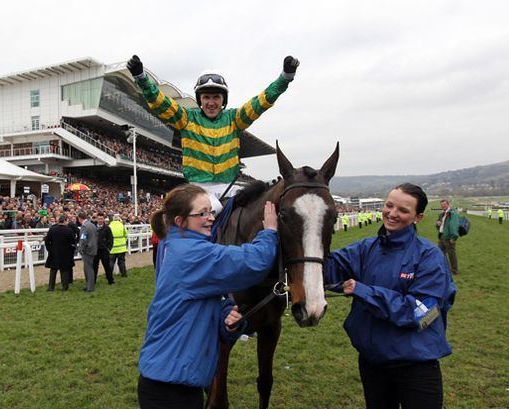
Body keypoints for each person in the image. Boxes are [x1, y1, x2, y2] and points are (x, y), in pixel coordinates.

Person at [137, 184, 278, 409]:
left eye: (211, 211)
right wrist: (269, 231)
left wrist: (225, 316)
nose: (211, 218)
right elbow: (253, 262)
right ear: (180, 221)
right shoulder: (192, 255)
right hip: (169, 389)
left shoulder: (183, 246)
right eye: (202, 213)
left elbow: (201, 299)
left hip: (177, 380)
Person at [323, 183, 457, 409]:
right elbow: (325, 268)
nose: (393, 214)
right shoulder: (366, 248)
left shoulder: (430, 257)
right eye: (389, 205)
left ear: (418, 217)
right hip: (373, 364)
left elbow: (421, 313)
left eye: (403, 210)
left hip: (416, 366)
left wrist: (362, 291)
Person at [127, 54, 300, 214]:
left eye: (216, 97)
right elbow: (160, 102)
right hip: (197, 191)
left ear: (223, 100)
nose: (211, 102)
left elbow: (261, 101)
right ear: (199, 99)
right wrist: (142, 78)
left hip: (231, 189)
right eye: (206, 97)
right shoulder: (186, 118)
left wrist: (284, 78)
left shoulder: (235, 119)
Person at [44, 215, 76, 291]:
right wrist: (71, 252)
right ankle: (64, 287)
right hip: (66, 254)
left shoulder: (52, 229)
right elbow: (73, 243)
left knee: (53, 270)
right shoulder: (69, 230)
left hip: (54, 253)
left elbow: (47, 241)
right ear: (64, 221)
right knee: (65, 270)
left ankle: (51, 287)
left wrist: (50, 250)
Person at [436, 199, 460, 276]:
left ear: (448, 204)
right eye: (442, 205)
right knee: (439, 253)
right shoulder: (442, 214)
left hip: (449, 237)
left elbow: (454, 225)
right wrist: (437, 224)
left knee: (451, 254)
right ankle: (445, 268)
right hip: (442, 236)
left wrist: (454, 237)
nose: (443, 206)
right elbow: (439, 226)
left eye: (444, 204)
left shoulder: (452, 213)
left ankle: (454, 270)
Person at [77, 211, 98, 292]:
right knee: (88, 268)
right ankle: (89, 285)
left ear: (79, 218)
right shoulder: (92, 225)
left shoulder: (85, 226)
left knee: (88, 269)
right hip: (93, 248)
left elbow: (83, 238)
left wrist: (81, 248)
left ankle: (90, 287)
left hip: (87, 250)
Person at [93, 212, 115, 285]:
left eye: (101, 219)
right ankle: (93, 281)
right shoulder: (93, 227)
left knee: (107, 266)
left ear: (103, 219)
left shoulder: (107, 228)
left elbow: (111, 239)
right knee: (94, 266)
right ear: (97, 219)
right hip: (95, 250)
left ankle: (110, 280)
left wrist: (109, 248)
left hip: (104, 250)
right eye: (99, 219)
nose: (100, 220)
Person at [109, 213, 128, 278]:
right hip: (122, 247)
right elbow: (126, 235)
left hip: (112, 248)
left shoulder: (110, 226)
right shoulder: (122, 225)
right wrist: (123, 241)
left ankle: (109, 275)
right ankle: (124, 274)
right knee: (121, 262)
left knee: (111, 262)